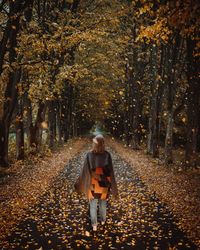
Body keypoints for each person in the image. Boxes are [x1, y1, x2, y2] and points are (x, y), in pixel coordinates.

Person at [74, 134, 119, 231]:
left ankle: (94, 225)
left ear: (94, 144)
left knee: (93, 205)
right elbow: (110, 170)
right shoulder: (107, 155)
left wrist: (80, 182)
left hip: (92, 183)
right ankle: (103, 221)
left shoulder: (89, 155)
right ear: (103, 143)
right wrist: (113, 185)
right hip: (104, 182)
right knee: (103, 203)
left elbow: (85, 170)